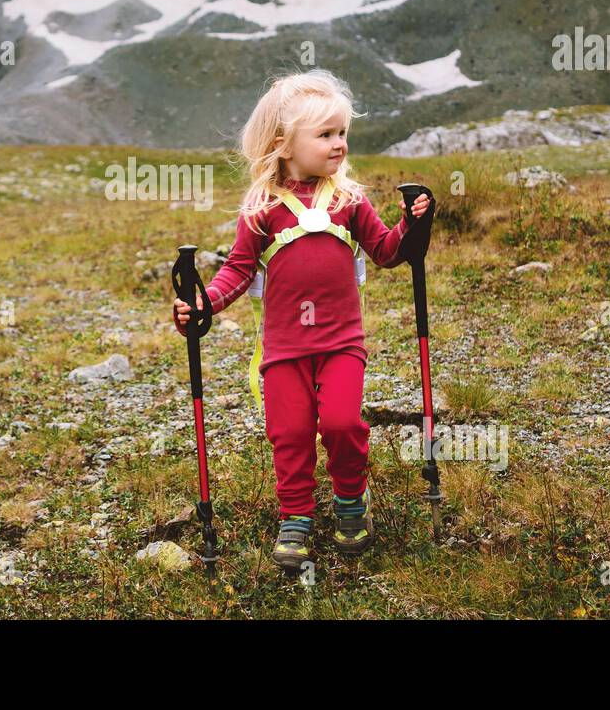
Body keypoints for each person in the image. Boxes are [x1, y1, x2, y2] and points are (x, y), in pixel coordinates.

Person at [173, 69, 431, 570]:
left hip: (341, 343)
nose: (339, 144)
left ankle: (351, 502)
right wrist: (203, 304)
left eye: (342, 133)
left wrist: (411, 223)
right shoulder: (262, 208)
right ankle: (296, 515)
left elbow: (384, 251)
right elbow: (238, 271)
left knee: (341, 423)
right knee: (289, 434)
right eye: (325, 134)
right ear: (283, 143)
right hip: (285, 348)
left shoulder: (350, 200)